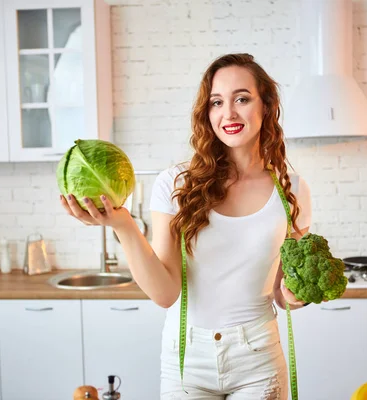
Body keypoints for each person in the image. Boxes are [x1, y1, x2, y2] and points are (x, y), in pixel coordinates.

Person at [60, 53, 312, 399]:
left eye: (242, 98)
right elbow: (164, 293)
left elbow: (284, 292)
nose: (229, 113)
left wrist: (297, 296)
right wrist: (123, 225)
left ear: (266, 106)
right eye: (216, 102)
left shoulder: (291, 189)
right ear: (206, 113)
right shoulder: (176, 184)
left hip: (258, 358)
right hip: (186, 362)